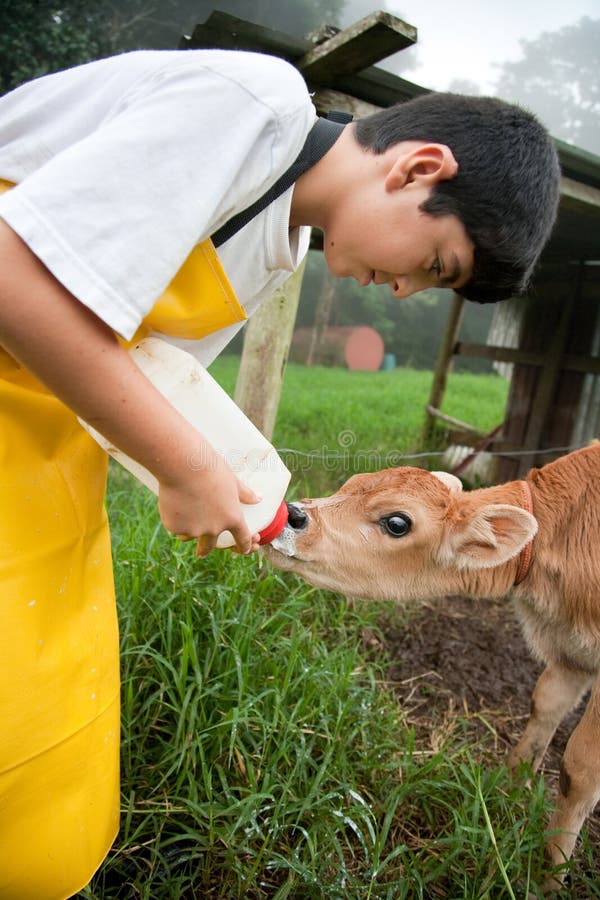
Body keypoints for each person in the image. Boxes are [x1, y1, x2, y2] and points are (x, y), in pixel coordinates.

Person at [0, 48, 559, 897]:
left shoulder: (278, 249)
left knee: (50, 715)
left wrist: (214, 480)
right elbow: (11, 276)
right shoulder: (254, 103)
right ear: (417, 169)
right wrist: (187, 467)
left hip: (40, 449)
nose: (406, 291)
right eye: (436, 264)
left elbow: (138, 372)